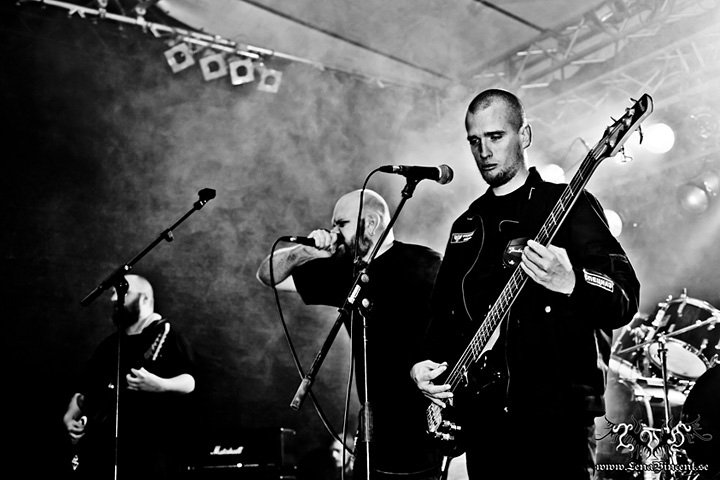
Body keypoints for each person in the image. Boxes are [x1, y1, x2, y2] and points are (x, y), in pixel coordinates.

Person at [410, 89, 641, 479]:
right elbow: (441, 317)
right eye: (474, 140)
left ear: (525, 135)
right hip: (485, 423)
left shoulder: (568, 204)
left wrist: (573, 281)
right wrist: (421, 365)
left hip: (556, 423)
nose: (484, 151)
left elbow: (625, 297)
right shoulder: (467, 225)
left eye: (495, 136)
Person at [256, 189, 444, 479]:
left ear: (371, 223)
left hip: (422, 418)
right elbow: (268, 275)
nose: (334, 232)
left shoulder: (424, 262)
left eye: (341, 224)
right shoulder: (344, 271)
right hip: (373, 423)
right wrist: (306, 252)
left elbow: (459, 326)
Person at [63, 274, 197, 480]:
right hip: (103, 451)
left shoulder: (167, 335)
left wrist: (161, 384)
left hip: (146, 449)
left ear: (144, 299)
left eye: (122, 292)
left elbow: (189, 381)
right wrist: (70, 416)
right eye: (113, 293)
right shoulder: (109, 344)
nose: (113, 299)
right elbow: (85, 388)